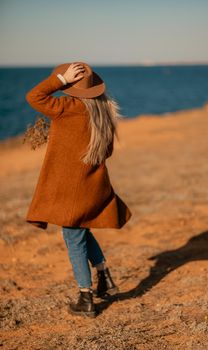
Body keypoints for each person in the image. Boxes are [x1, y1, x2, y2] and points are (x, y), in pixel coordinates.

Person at [24, 61, 132, 318]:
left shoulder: (66, 108)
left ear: (71, 88)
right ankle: (104, 274)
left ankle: (86, 298)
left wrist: (60, 79)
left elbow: (34, 96)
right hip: (92, 189)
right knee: (81, 232)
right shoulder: (104, 111)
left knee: (73, 239)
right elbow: (106, 152)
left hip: (72, 193)